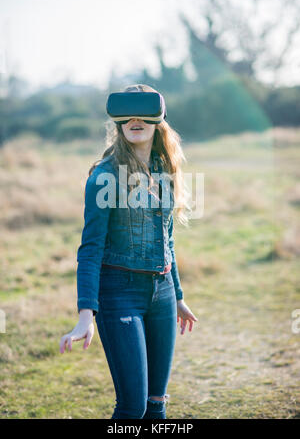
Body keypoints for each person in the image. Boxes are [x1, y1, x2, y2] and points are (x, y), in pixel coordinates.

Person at [60, 84, 198, 419]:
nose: (135, 120)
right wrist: (85, 315)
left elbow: (166, 239)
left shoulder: (165, 171)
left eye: (144, 114)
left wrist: (177, 295)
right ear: (118, 123)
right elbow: (90, 250)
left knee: (156, 406)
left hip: (162, 295)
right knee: (132, 408)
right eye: (127, 115)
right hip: (119, 294)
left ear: (157, 121)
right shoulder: (104, 177)